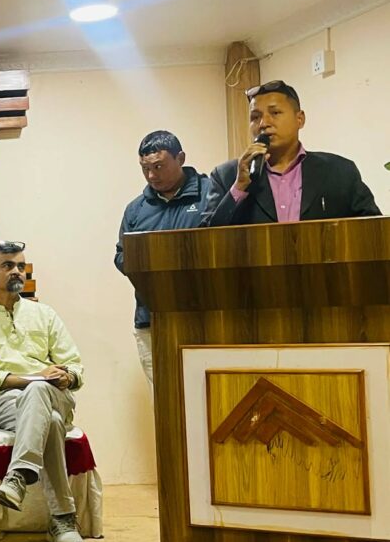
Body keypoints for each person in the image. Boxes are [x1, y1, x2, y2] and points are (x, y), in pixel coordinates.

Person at [0, 241, 87, 542]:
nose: (17, 271)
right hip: (2, 402)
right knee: (50, 420)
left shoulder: (45, 314)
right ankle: (63, 520)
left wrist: (67, 377)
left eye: (20, 266)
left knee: (41, 393)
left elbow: (74, 365)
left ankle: (17, 477)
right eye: (7, 265)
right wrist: (32, 378)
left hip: (55, 394)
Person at [203, 79, 380, 226]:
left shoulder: (339, 171)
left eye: (275, 113)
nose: (263, 123)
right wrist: (239, 187)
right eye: (255, 117)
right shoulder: (226, 176)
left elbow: (374, 230)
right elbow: (205, 240)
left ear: (300, 119)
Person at [115, 130, 211, 386]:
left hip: (206, 316)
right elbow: (121, 256)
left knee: (208, 395)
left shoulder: (211, 194)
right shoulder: (136, 209)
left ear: (180, 158)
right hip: (151, 320)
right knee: (163, 398)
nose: (151, 176)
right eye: (145, 168)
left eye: (158, 166)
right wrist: (149, 262)